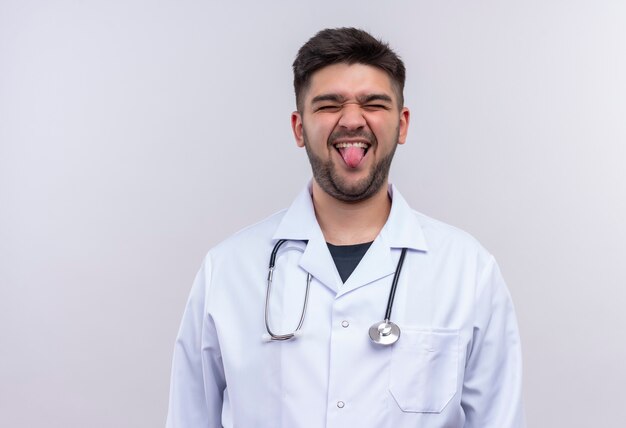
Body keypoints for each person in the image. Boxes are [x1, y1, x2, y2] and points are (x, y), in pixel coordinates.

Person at [166, 27, 524, 428]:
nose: (352, 120)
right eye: (328, 105)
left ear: (402, 125)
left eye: (373, 103)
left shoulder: (468, 271)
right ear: (299, 128)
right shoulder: (228, 270)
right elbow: (189, 418)